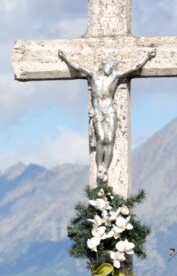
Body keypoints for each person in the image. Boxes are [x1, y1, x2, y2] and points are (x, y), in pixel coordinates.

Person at [57, 48, 156, 183]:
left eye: (113, 65)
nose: (110, 68)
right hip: (98, 112)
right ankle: (99, 167)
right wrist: (65, 58)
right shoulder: (93, 75)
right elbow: (78, 67)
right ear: (103, 65)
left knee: (110, 139)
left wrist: (147, 57)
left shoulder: (115, 77)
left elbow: (134, 68)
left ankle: (105, 168)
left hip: (109, 111)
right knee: (101, 139)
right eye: (109, 65)